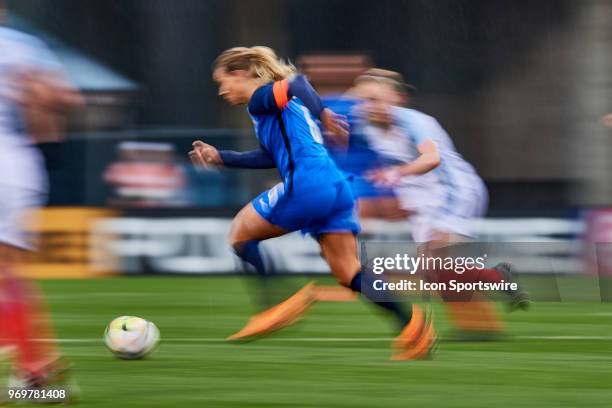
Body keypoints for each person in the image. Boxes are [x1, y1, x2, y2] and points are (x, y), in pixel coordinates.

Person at [189, 46, 436, 360]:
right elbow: (269, 155)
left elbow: (297, 82)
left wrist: (324, 112)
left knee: (239, 233)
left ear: (240, 74)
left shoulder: (261, 97)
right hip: (335, 187)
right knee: (349, 273)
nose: (222, 90)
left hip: (308, 186)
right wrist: (221, 157)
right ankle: (413, 327)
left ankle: (276, 304)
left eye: (223, 81)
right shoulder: (274, 106)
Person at [344, 69, 529, 336]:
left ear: (397, 99)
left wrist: (396, 174)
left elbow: (431, 159)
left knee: (436, 264)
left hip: (453, 191)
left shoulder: (414, 122)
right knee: (438, 274)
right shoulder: (366, 126)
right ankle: (486, 310)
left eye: (379, 100)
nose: (372, 106)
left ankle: (494, 288)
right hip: (423, 201)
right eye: (366, 101)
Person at [0, 0, 82, 401]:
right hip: (18, 165)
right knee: (8, 272)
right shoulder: (23, 46)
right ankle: (34, 370)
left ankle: (33, 366)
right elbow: (64, 98)